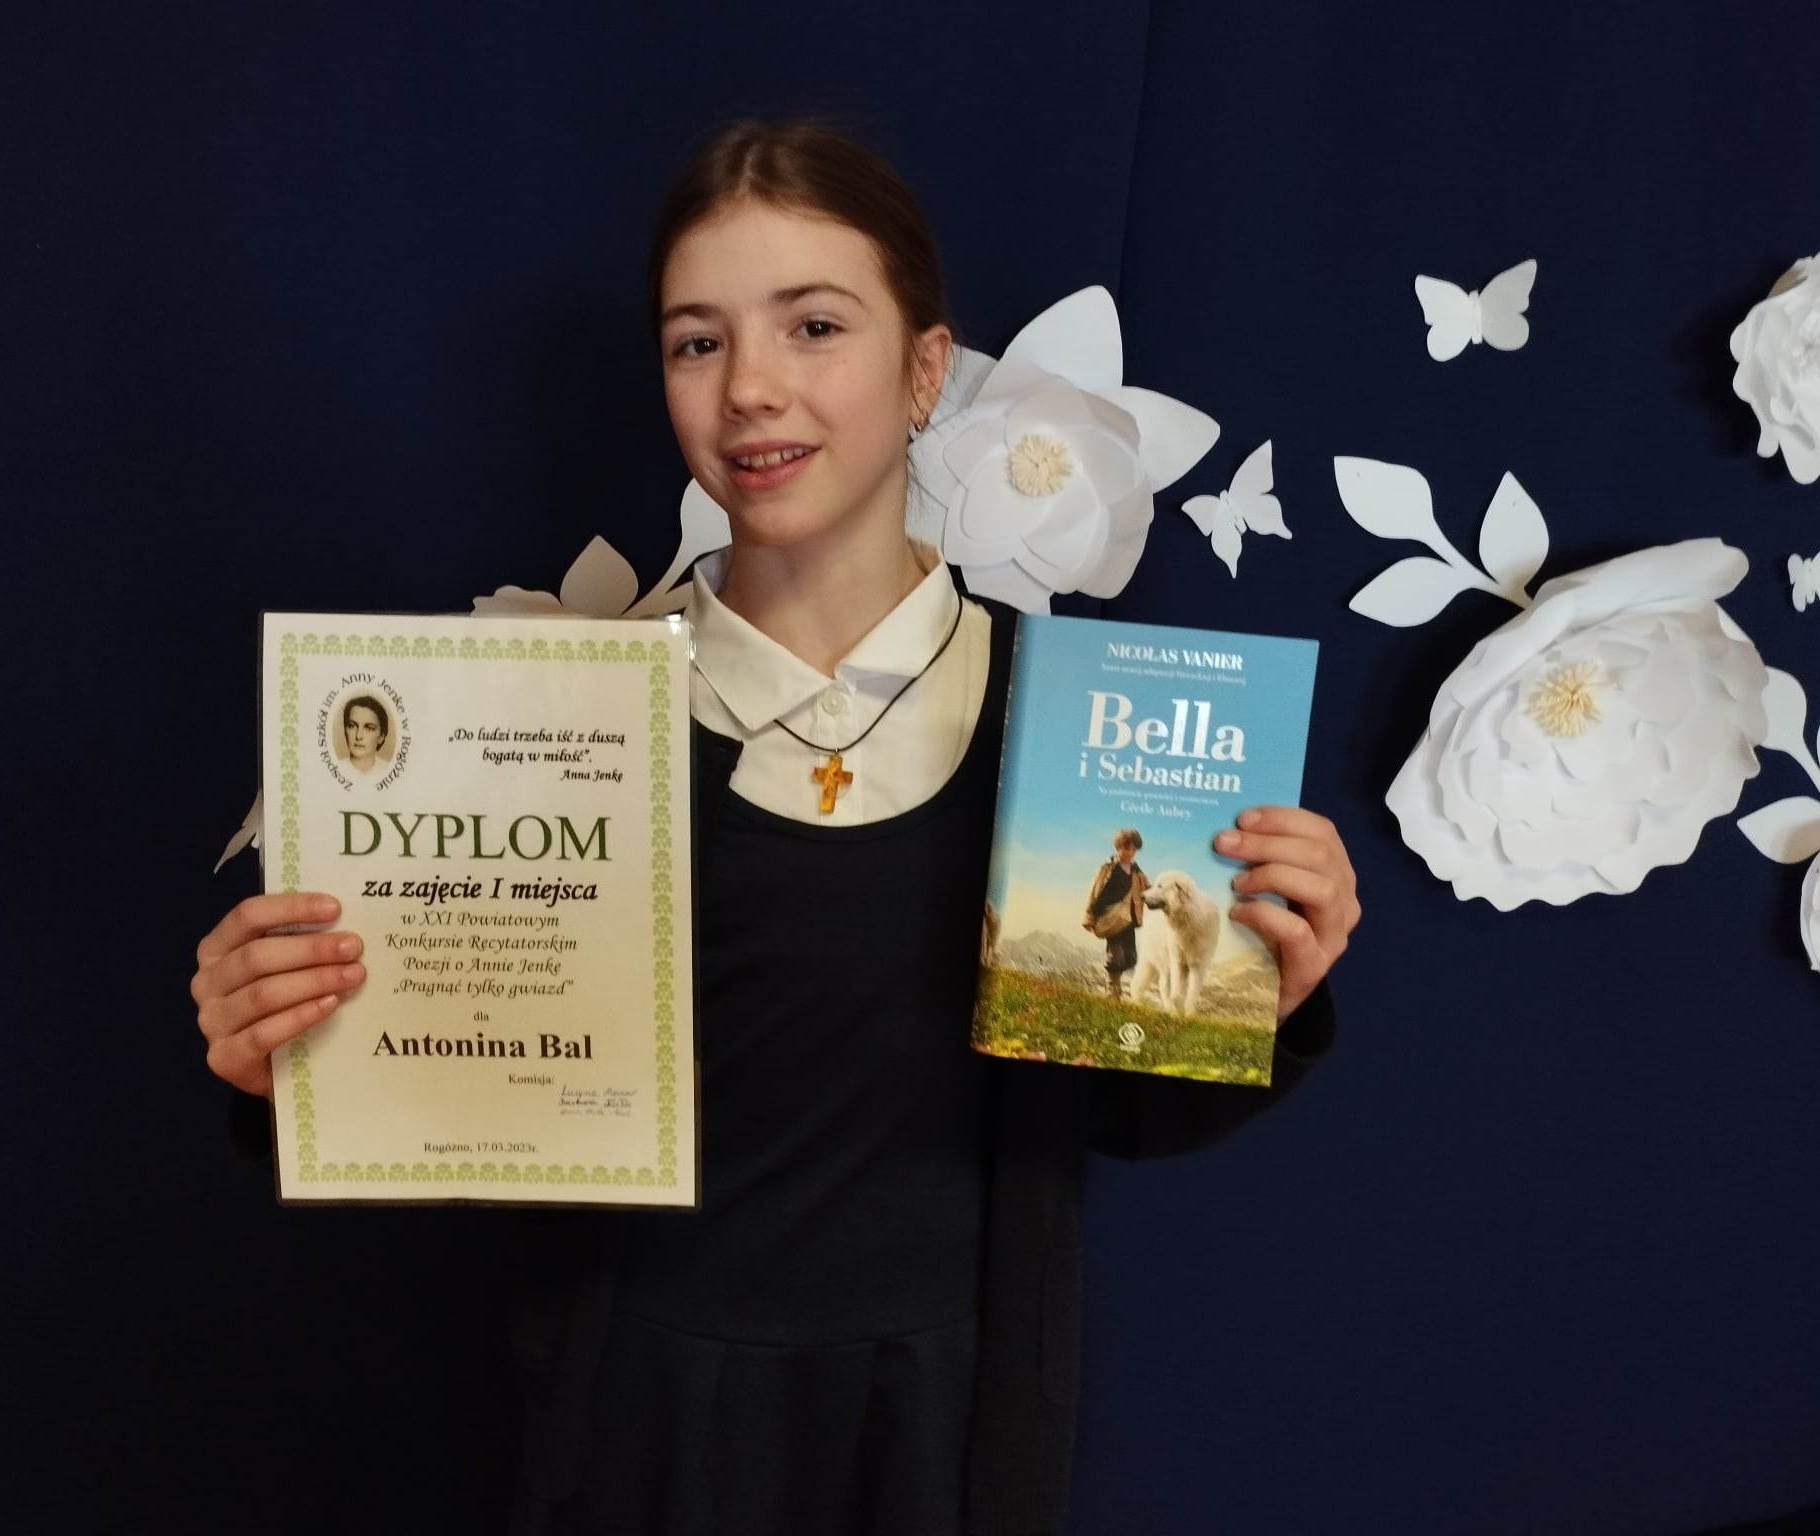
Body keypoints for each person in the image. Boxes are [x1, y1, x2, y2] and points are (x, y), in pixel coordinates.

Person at [189, 118, 1362, 1535]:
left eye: (814, 325)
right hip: (639, 1432)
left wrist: (1264, 993)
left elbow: (1116, 1104)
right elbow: (465, 1093)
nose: (751, 387)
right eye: (698, 341)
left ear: (925, 369)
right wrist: (287, 1058)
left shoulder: (1078, 730)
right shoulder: (547, 735)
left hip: (950, 1431)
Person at [1082, 828, 1149, 999]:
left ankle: (1113, 976)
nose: (1130, 853)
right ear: (1118, 847)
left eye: (1134, 849)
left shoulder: (1137, 872)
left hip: (1129, 921)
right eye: (1127, 848)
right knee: (1116, 956)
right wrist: (1089, 918)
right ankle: (1113, 991)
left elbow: (1149, 890)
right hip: (1110, 919)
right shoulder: (1106, 868)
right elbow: (1093, 892)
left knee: (1131, 958)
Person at [339, 694, 388, 773]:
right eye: (352, 726)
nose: (358, 736)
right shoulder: (336, 768)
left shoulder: (387, 769)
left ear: (381, 736)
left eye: (369, 728)